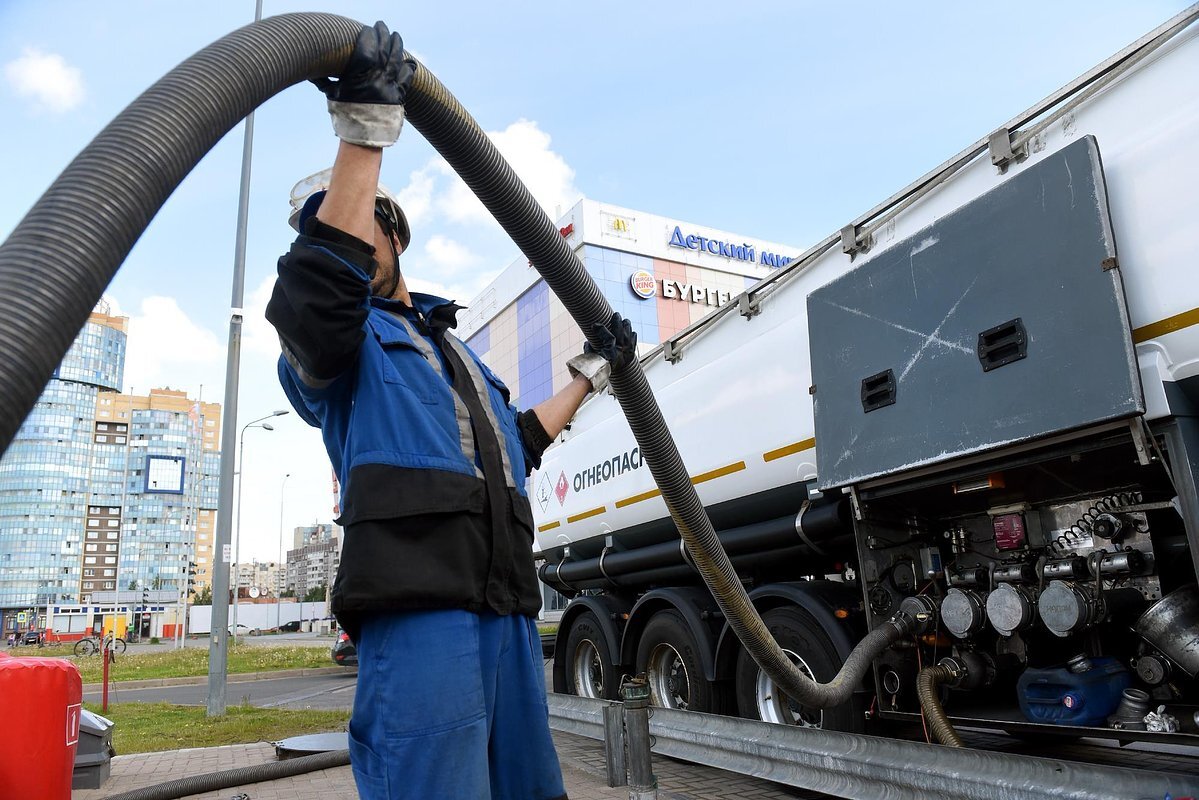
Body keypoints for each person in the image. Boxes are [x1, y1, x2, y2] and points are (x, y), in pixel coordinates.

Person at [265, 22, 637, 800]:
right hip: (418, 610)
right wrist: (365, 131)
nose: (341, 236)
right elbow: (315, 295)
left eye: (359, 219)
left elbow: (519, 444)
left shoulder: (459, 355)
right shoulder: (338, 344)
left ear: (394, 234)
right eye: (327, 227)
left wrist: (594, 371)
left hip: (504, 609)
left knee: (529, 791)